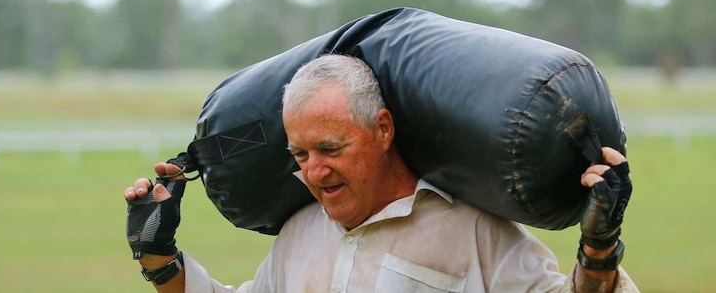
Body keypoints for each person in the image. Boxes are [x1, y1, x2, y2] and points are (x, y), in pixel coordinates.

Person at [124, 54, 638, 292]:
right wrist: (160, 256)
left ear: (383, 129)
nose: (314, 171)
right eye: (300, 155)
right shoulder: (301, 233)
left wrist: (599, 249)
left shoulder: (470, 229)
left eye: (330, 148)